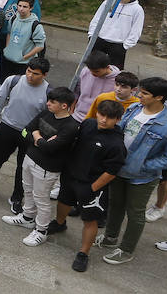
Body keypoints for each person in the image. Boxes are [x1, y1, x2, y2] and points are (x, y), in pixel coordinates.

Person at [97, 77, 167, 265]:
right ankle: (110, 237)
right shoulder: (134, 109)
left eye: (144, 93)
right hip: (118, 169)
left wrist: (143, 165)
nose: (138, 95)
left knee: (135, 212)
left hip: (142, 178)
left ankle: (126, 249)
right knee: (115, 204)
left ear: (159, 97)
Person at [54, 99, 129, 272]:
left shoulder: (117, 144)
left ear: (118, 120)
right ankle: (59, 223)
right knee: (63, 202)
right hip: (71, 176)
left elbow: (111, 172)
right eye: (102, 115)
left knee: (89, 220)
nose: (104, 120)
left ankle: (83, 253)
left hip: (91, 186)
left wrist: (92, 188)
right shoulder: (87, 124)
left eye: (110, 118)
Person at [2, 87, 81, 247]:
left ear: (64, 106)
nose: (48, 103)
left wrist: (37, 136)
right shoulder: (46, 113)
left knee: (41, 199)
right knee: (28, 190)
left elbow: (51, 148)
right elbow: (25, 131)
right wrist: (40, 139)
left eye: (52, 102)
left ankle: (42, 230)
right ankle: (27, 217)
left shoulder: (71, 127)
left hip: (47, 168)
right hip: (30, 158)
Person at [0, 57, 51, 210]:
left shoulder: (48, 92)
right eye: (28, 71)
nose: (30, 76)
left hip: (29, 134)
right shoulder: (13, 80)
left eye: (35, 74)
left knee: (23, 167)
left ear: (44, 75)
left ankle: (17, 197)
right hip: (7, 126)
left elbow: (47, 117)